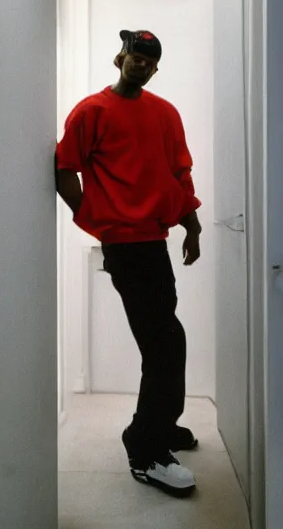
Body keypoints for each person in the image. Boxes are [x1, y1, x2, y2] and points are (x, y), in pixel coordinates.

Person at [55, 29, 202, 498]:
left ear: (155, 68)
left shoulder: (164, 113)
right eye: (133, 55)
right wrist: (97, 222)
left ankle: (162, 424)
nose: (139, 63)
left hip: (155, 241)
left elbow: (177, 174)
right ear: (120, 58)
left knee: (168, 338)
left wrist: (192, 226)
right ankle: (146, 450)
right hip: (126, 246)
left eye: (148, 59)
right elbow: (64, 168)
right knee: (164, 343)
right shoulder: (91, 111)